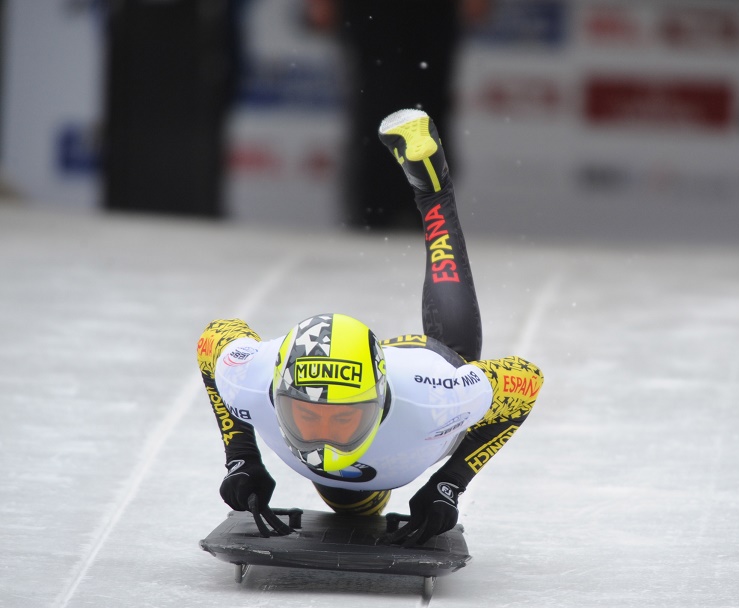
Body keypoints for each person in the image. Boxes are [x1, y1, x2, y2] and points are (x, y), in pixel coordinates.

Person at [196, 108, 543, 545]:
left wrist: (242, 457)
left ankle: (434, 195)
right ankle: (431, 194)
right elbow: (525, 380)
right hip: (409, 380)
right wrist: (448, 484)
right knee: (460, 362)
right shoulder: (252, 376)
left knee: (458, 358)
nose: (325, 444)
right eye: (307, 416)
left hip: (420, 366)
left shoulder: (434, 394)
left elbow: (526, 380)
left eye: (342, 421)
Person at [304, 0, 491, 230]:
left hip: (433, 9)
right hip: (371, 9)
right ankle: (372, 212)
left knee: (428, 101)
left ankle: (426, 212)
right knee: (376, 99)